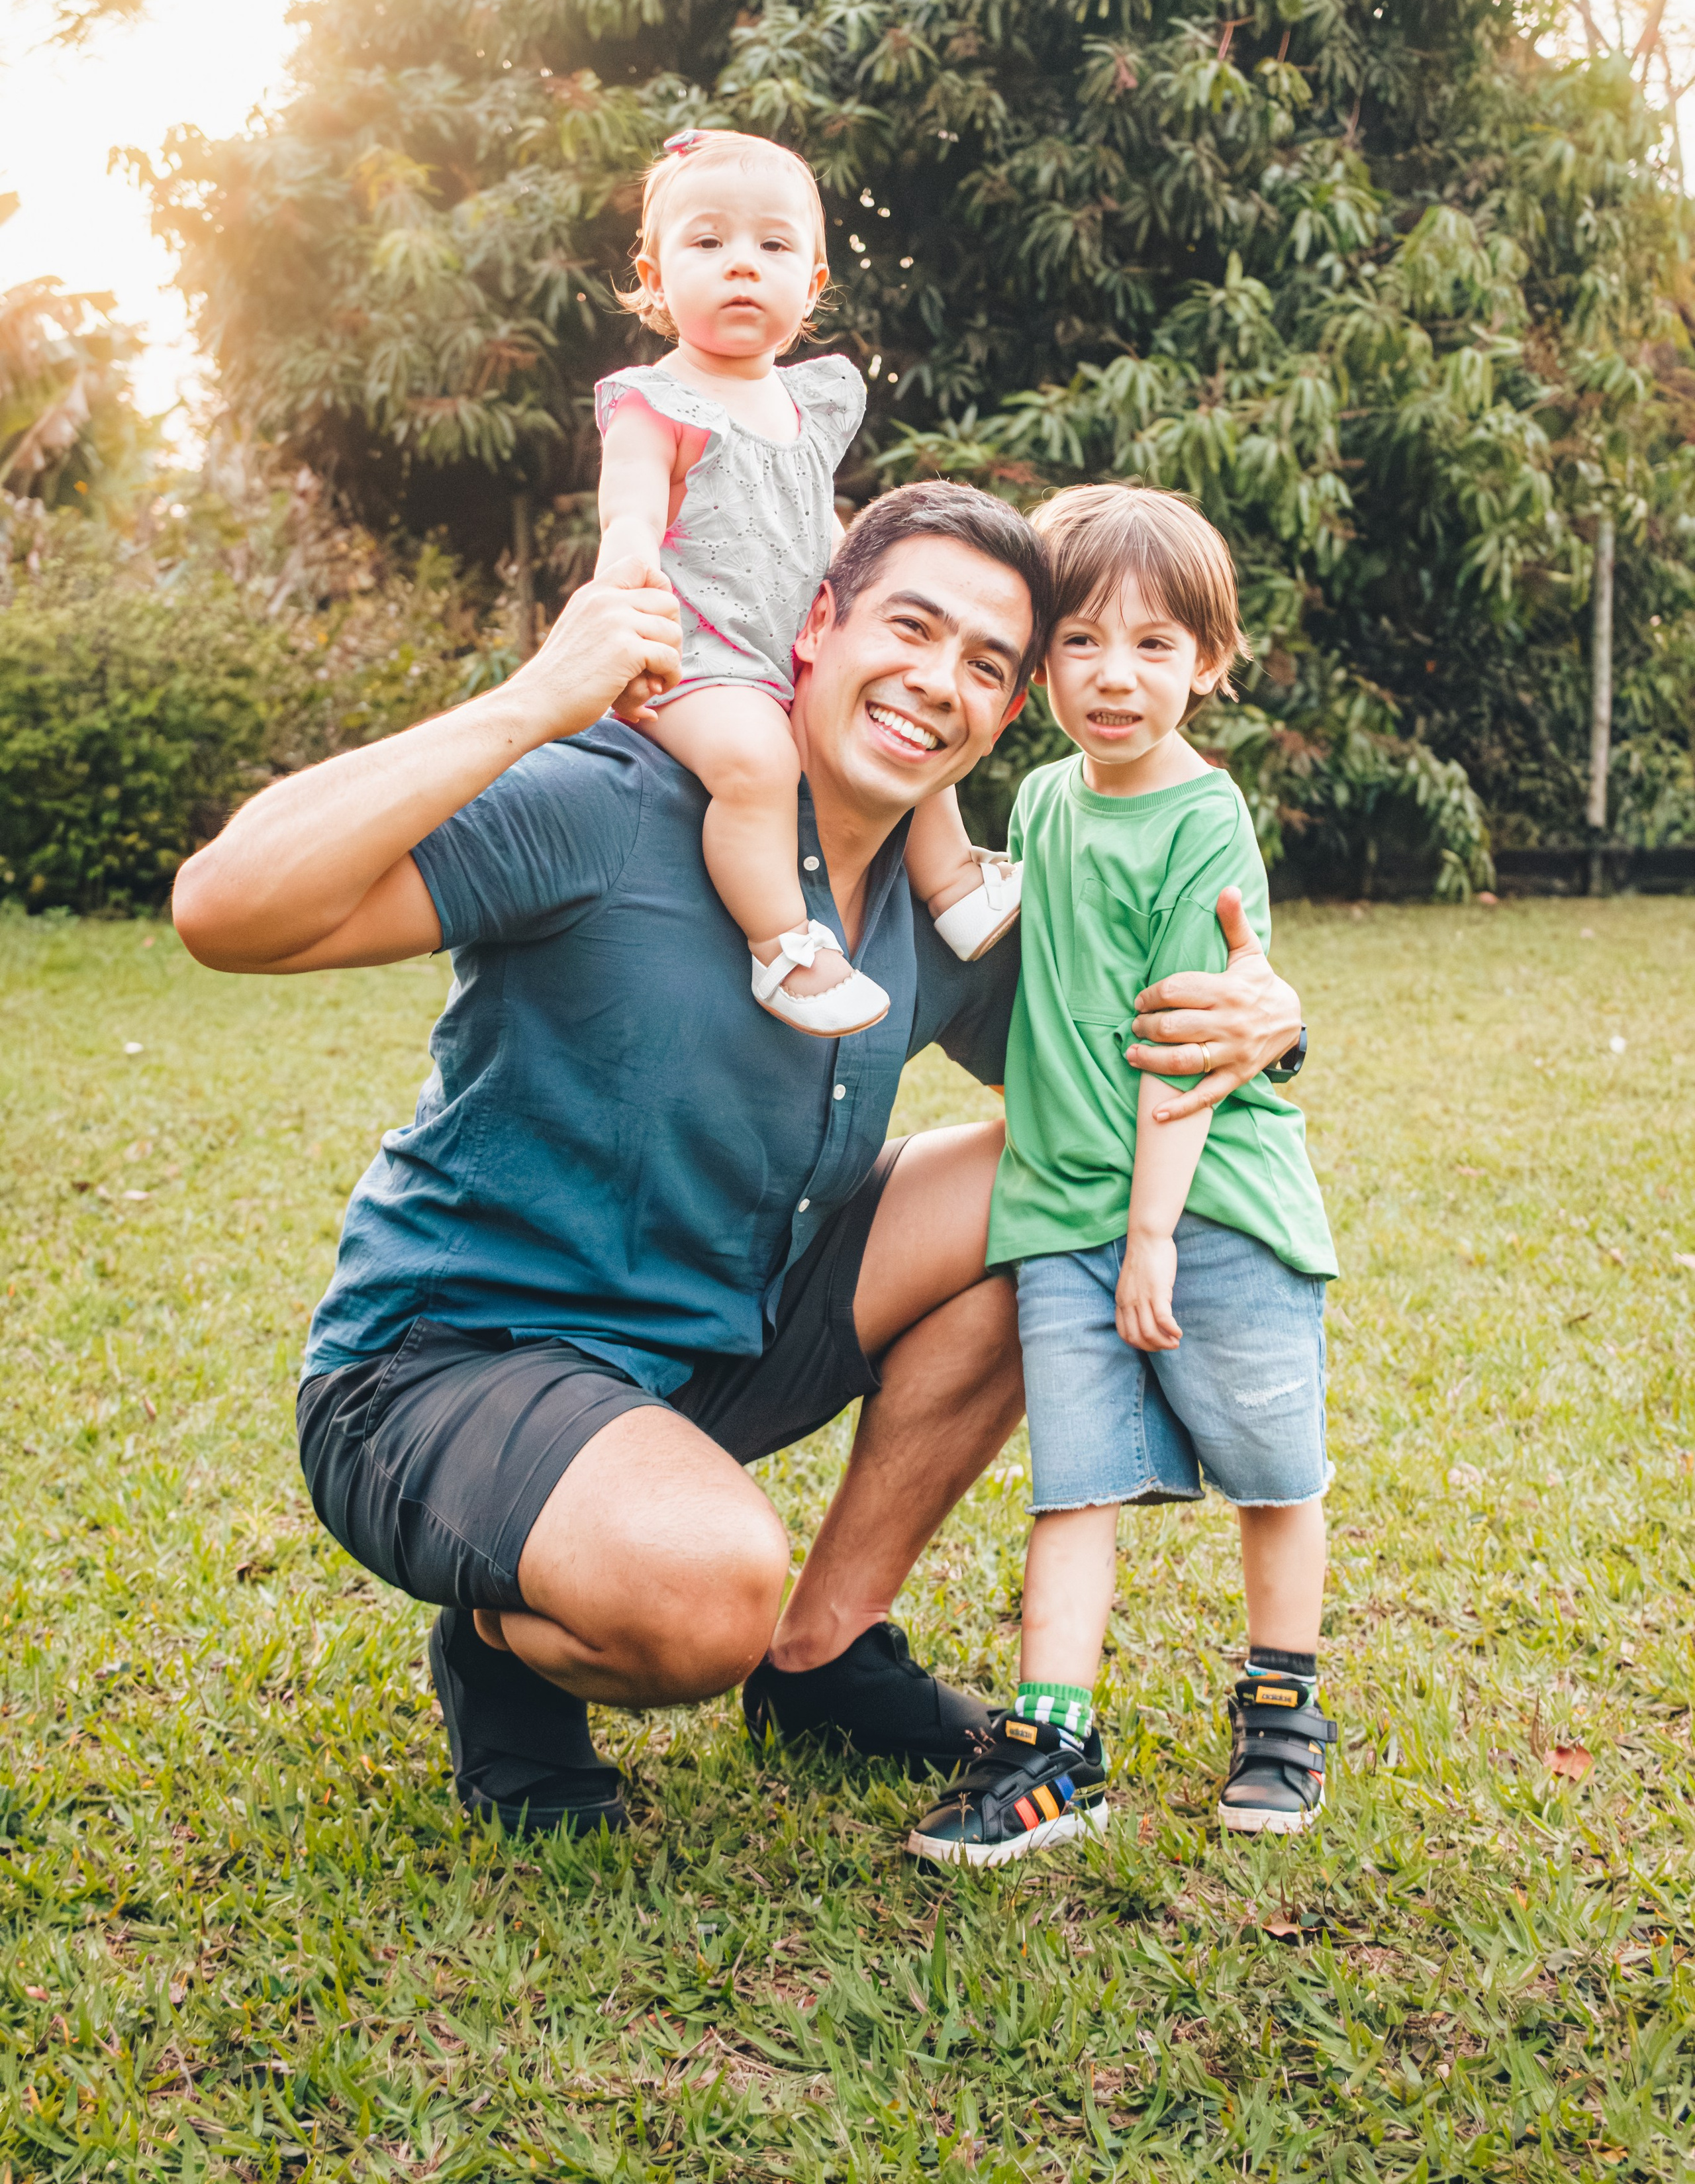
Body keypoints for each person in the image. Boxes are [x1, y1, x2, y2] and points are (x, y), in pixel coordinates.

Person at [171, 478, 1305, 1840]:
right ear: (816, 622)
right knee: (705, 1589)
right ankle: (500, 1630)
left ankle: (823, 1657)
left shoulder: (946, 916)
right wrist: (539, 694)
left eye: (985, 664)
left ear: (1008, 714)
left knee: (1050, 1196)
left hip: (713, 1341)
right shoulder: (615, 806)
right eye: (909, 626)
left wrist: (1271, 1023)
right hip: (445, 1365)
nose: (934, 681)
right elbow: (224, 913)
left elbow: (1117, 1066)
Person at [907, 483, 1337, 1868]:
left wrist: (1150, 1233)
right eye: (1081, 642)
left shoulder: (1203, 824)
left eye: (1154, 646)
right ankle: (1053, 1751)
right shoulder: (1039, 798)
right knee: (1071, 1486)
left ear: (1205, 664)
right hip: (1059, 1209)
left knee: (1273, 1471)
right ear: (1039, 670)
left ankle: (1279, 1710)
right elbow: (984, 910)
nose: (1114, 675)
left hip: (1210, 1207)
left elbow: (1179, 1045)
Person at [595, 128, 1012, 1039]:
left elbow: (827, 531)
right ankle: (785, 946)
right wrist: (624, 567)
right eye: (707, 244)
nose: (742, 266)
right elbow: (627, 510)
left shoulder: (805, 403)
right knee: (759, 766)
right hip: (701, 662)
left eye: (773, 247)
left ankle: (954, 884)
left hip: (791, 649)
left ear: (813, 282)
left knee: (907, 702)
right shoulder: (655, 402)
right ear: (655, 274)